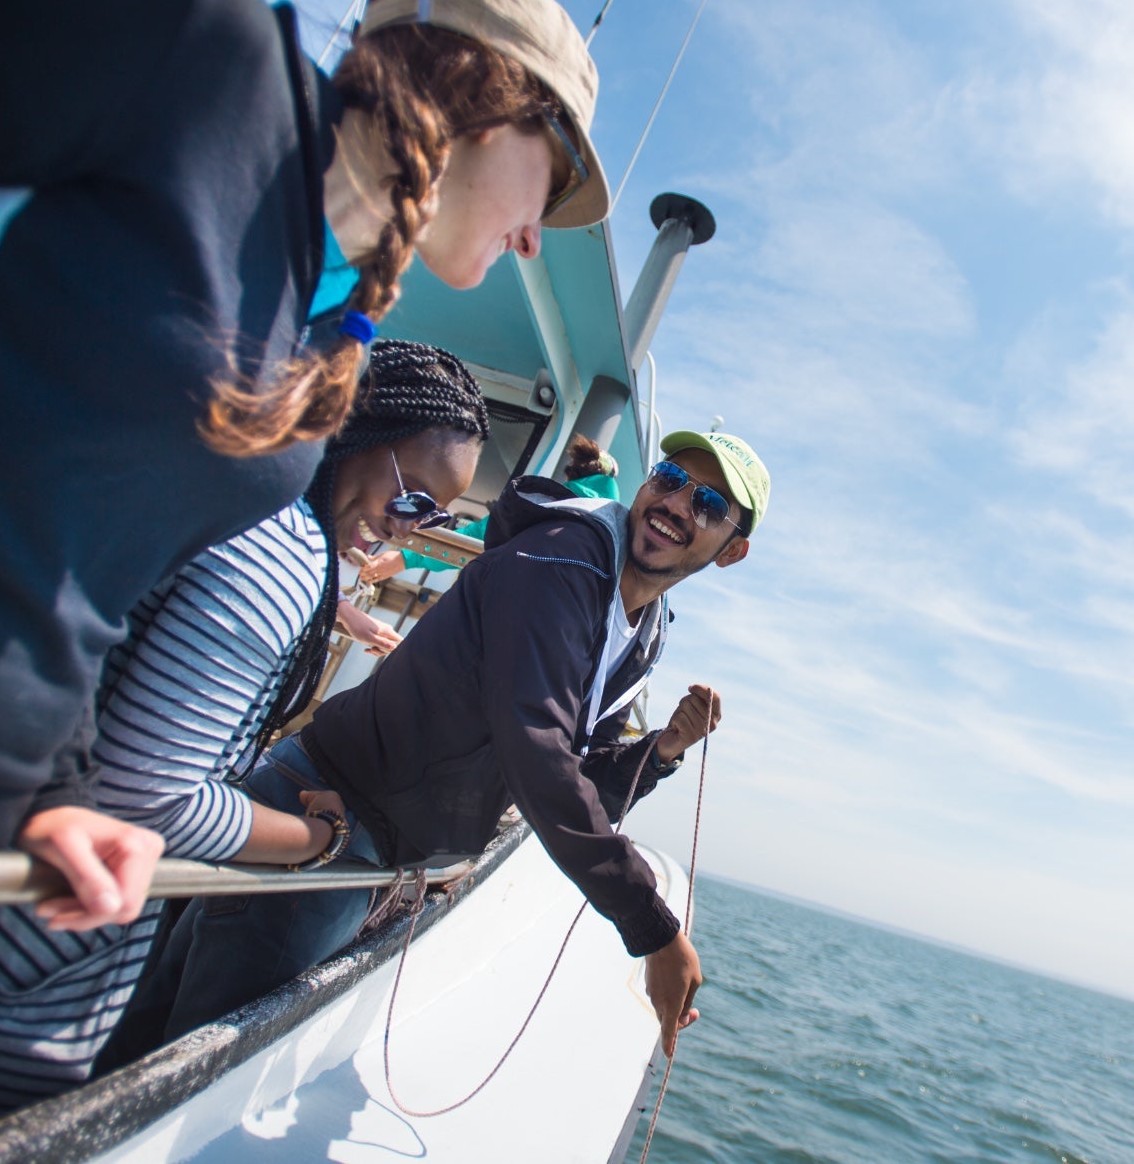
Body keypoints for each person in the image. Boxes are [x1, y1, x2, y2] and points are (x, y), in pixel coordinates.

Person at [0, 0, 613, 1101]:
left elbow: (103, 579)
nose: (536, 237)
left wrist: (72, 790)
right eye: (557, 174)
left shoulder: (314, 323)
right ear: (493, 92)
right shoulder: (188, 46)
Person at [0, 341, 491, 1158]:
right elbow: (151, 801)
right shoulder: (278, 560)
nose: (407, 526)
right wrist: (319, 840)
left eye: (435, 517)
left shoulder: (226, 494)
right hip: (7, 977)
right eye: (412, 495)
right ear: (354, 429)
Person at [118, 430, 770, 1061]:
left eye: (708, 504)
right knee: (181, 1068)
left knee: (156, 1039)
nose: (677, 504)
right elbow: (536, 753)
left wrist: (659, 753)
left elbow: (578, 776)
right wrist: (652, 928)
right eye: (672, 478)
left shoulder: (645, 629)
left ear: (731, 549)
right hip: (328, 822)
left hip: (382, 853)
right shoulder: (564, 558)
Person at [365, 430, 620, 580]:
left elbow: (479, 537)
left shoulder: (550, 503)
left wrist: (405, 558)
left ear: (573, 475)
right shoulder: (613, 537)